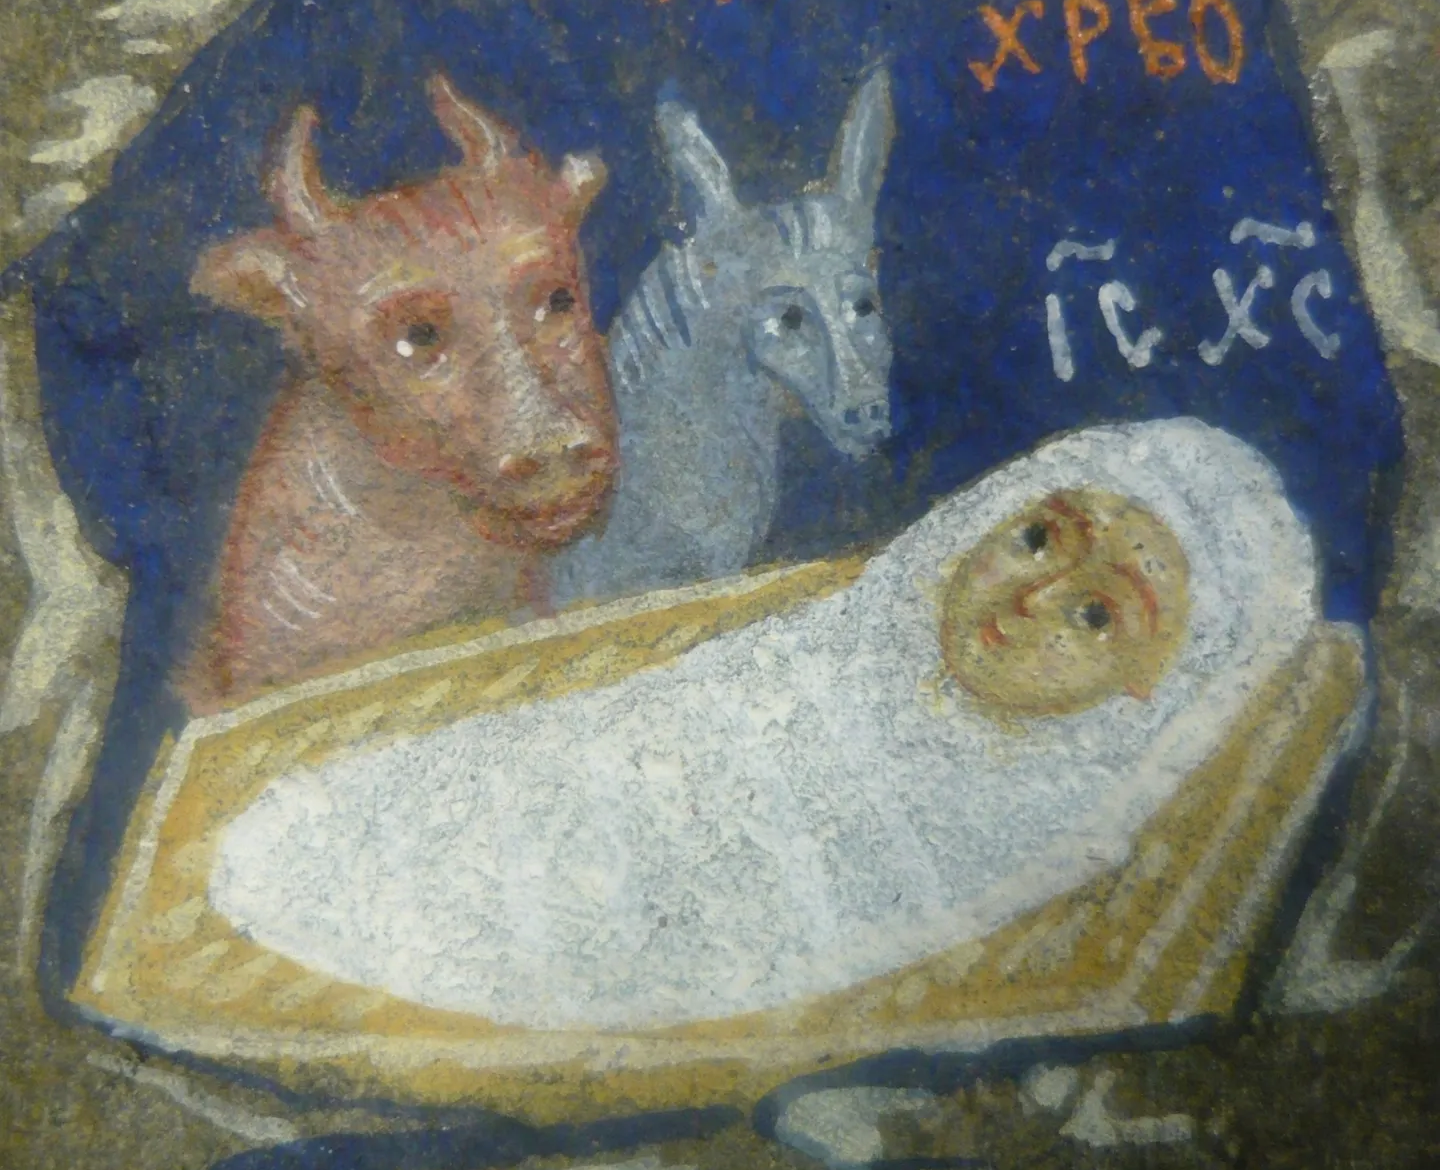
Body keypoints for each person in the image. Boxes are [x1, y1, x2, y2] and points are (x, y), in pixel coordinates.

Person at [203, 418, 1327, 1034]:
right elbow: (648, 725)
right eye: (1038, 538)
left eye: (1095, 614)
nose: (1029, 598)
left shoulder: (1005, 833)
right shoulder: (843, 639)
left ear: (1148, 686)